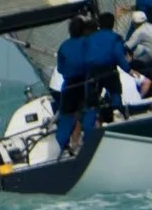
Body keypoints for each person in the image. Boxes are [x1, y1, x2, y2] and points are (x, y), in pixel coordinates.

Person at [52, 11, 130, 151]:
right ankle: (90, 142)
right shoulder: (87, 42)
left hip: (69, 85)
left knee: (66, 117)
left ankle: (61, 147)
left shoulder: (63, 46)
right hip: (86, 81)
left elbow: (61, 69)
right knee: (89, 109)